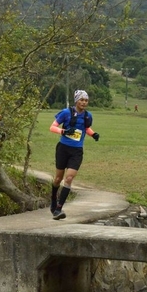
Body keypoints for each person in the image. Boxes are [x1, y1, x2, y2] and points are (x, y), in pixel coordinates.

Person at [48, 90, 100, 220]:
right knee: (58, 179)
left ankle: (58, 209)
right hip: (63, 149)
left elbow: (85, 128)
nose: (84, 102)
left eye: (86, 100)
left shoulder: (88, 116)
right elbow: (52, 127)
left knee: (69, 178)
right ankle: (53, 199)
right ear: (76, 100)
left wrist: (93, 134)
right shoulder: (66, 113)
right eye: (81, 100)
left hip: (77, 151)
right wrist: (63, 131)